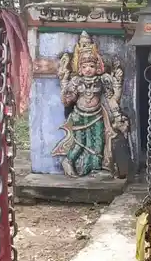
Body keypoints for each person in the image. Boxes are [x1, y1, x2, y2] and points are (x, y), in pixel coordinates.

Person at [52, 32, 129, 177]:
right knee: (79, 143)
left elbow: (111, 98)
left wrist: (117, 82)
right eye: (85, 66)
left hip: (97, 116)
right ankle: (68, 161)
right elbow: (68, 100)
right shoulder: (77, 81)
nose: (88, 69)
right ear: (80, 69)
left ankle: (95, 169)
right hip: (79, 117)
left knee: (98, 143)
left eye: (91, 66)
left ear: (97, 67)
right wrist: (64, 81)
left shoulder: (102, 80)